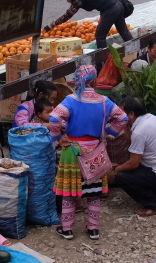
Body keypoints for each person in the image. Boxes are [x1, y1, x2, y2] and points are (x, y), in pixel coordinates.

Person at [48, 64, 128, 241]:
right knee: (94, 192)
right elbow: (123, 118)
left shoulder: (71, 100)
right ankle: (93, 229)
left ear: (78, 80)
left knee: (70, 192)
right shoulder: (104, 101)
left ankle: (67, 229)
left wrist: (58, 138)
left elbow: (54, 118)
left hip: (73, 150)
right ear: (94, 81)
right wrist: (109, 131)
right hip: (95, 150)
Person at [109, 96, 156, 217]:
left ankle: (154, 204)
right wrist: (125, 124)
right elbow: (131, 140)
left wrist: (117, 169)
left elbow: (133, 163)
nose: (120, 116)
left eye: (122, 113)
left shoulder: (139, 132)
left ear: (131, 114)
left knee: (121, 177)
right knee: (139, 167)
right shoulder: (150, 118)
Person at [46, 0, 134, 49]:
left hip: (111, 9)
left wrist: (51, 26)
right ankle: (134, 49)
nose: (66, 1)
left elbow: (67, 15)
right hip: (119, 5)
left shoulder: (78, 0)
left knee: (100, 35)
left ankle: (102, 60)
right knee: (123, 30)